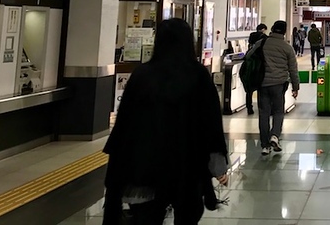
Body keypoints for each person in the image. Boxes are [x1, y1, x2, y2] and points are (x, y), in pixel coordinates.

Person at [102, 18, 228, 225]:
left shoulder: (142, 75)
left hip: (145, 165)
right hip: (187, 166)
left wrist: (119, 169)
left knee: (146, 217)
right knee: (187, 215)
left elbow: (125, 124)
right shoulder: (198, 75)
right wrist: (217, 165)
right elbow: (210, 123)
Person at [258, 20, 300, 155]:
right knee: (278, 111)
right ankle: (275, 135)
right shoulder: (287, 47)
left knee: (264, 113)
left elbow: (249, 56)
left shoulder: (262, 43)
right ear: (284, 31)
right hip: (278, 84)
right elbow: (293, 70)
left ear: (272, 28)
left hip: (262, 84)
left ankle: (265, 146)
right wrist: (295, 87)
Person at [244, 23, 267, 115]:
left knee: (249, 89)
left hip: (250, 64)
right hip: (259, 64)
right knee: (260, 88)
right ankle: (260, 107)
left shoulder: (251, 35)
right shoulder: (264, 37)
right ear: (263, 29)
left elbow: (249, 48)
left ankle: (249, 107)